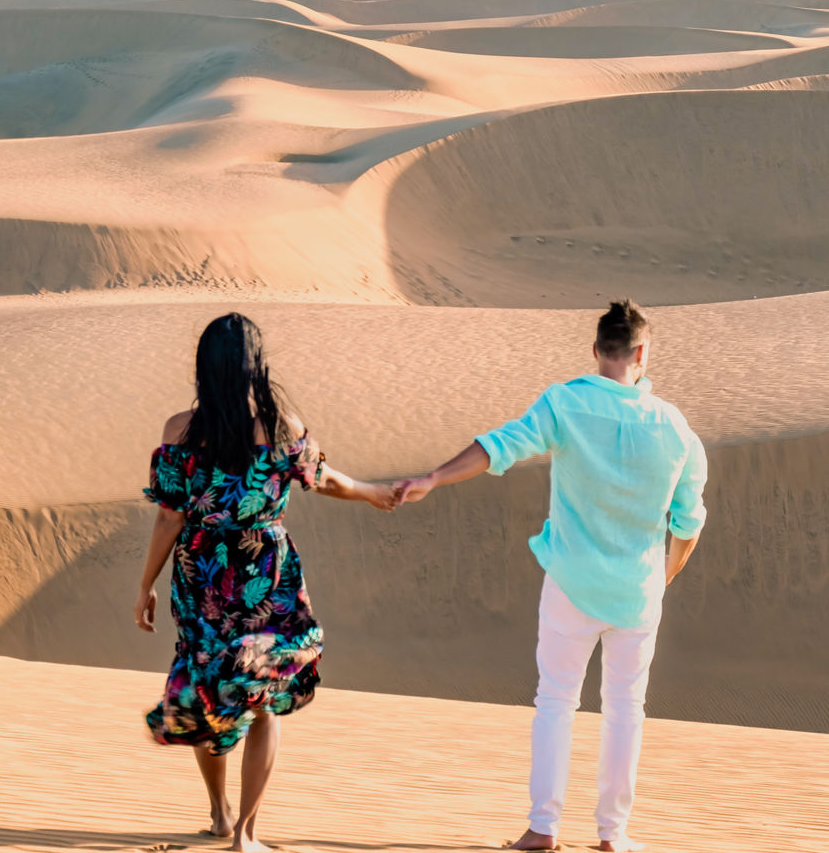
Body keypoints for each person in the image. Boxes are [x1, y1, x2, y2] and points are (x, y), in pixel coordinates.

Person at [395, 299, 707, 852]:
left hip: (570, 583)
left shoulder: (565, 403)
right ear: (642, 352)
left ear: (596, 351)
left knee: (556, 702)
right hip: (637, 593)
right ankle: (613, 834)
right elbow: (688, 522)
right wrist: (662, 579)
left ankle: (543, 828)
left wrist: (434, 477)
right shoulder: (676, 428)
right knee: (625, 710)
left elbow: (500, 446)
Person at [135, 312, 397, 853]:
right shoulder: (283, 430)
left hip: (202, 575)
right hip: (266, 574)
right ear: (257, 367)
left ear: (204, 368)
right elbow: (324, 479)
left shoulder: (179, 432)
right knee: (261, 701)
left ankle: (221, 815)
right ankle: (246, 836)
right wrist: (371, 490)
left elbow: (169, 517)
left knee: (210, 690)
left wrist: (146, 585)